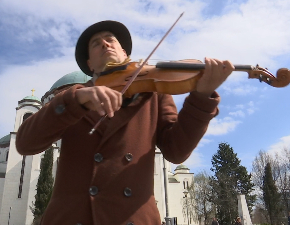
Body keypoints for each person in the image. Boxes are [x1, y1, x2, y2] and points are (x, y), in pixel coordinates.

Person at [16, 20, 234, 225]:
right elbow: (25, 143)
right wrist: (77, 100)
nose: (104, 43)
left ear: (125, 53)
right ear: (90, 64)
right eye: (95, 43)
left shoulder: (154, 93)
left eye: (110, 39)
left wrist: (202, 97)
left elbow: (176, 151)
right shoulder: (73, 99)